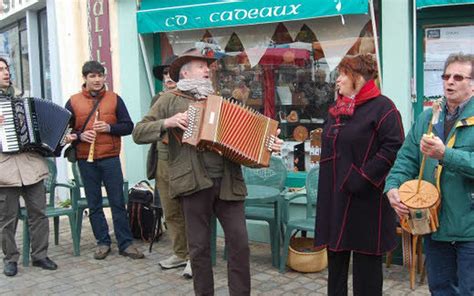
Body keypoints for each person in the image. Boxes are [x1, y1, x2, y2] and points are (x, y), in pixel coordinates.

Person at [133, 48, 283, 295]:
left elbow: (249, 148)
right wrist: (167, 123)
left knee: (239, 244)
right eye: (201, 66)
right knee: (199, 248)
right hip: (193, 184)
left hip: (228, 183)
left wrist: (269, 145)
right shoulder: (169, 99)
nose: (207, 70)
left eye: (208, 67)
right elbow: (139, 132)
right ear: (185, 72)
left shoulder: (220, 102)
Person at [314, 54, 404, 296]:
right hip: (336, 196)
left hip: (366, 201)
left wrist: (362, 177)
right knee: (336, 267)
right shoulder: (336, 110)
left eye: (344, 74)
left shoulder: (383, 107)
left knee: (366, 274)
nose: (338, 80)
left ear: (359, 77)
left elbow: (393, 146)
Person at [385, 53, 474, 295]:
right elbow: (405, 160)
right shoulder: (428, 117)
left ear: (473, 83)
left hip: (469, 228)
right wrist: (393, 187)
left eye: (458, 77)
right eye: (446, 76)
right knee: (440, 289)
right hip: (434, 225)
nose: (450, 82)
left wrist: (446, 154)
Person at [65, 61, 144, 260]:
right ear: (85, 78)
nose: (97, 79)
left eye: (100, 75)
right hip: (86, 159)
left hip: (110, 158)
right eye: (92, 76)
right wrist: (80, 136)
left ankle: (125, 243)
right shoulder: (73, 101)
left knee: (118, 202)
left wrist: (109, 128)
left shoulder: (115, 99)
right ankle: (102, 242)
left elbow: (128, 126)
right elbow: (65, 131)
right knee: (94, 203)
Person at [0, 57, 58, 276]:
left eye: (6, 69)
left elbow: (39, 131)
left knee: (38, 213)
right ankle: (10, 258)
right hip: (4, 170)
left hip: (30, 166)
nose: (6, 73)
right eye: (0, 70)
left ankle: (40, 255)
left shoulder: (21, 101)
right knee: (7, 219)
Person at [137, 55, 193, 278]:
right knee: (170, 211)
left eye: (172, 72)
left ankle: (193, 257)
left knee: (190, 211)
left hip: (186, 159)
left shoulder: (192, 97)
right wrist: (163, 124)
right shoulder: (158, 98)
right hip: (162, 158)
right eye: (165, 73)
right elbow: (145, 128)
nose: (168, 76)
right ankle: (179, 253)